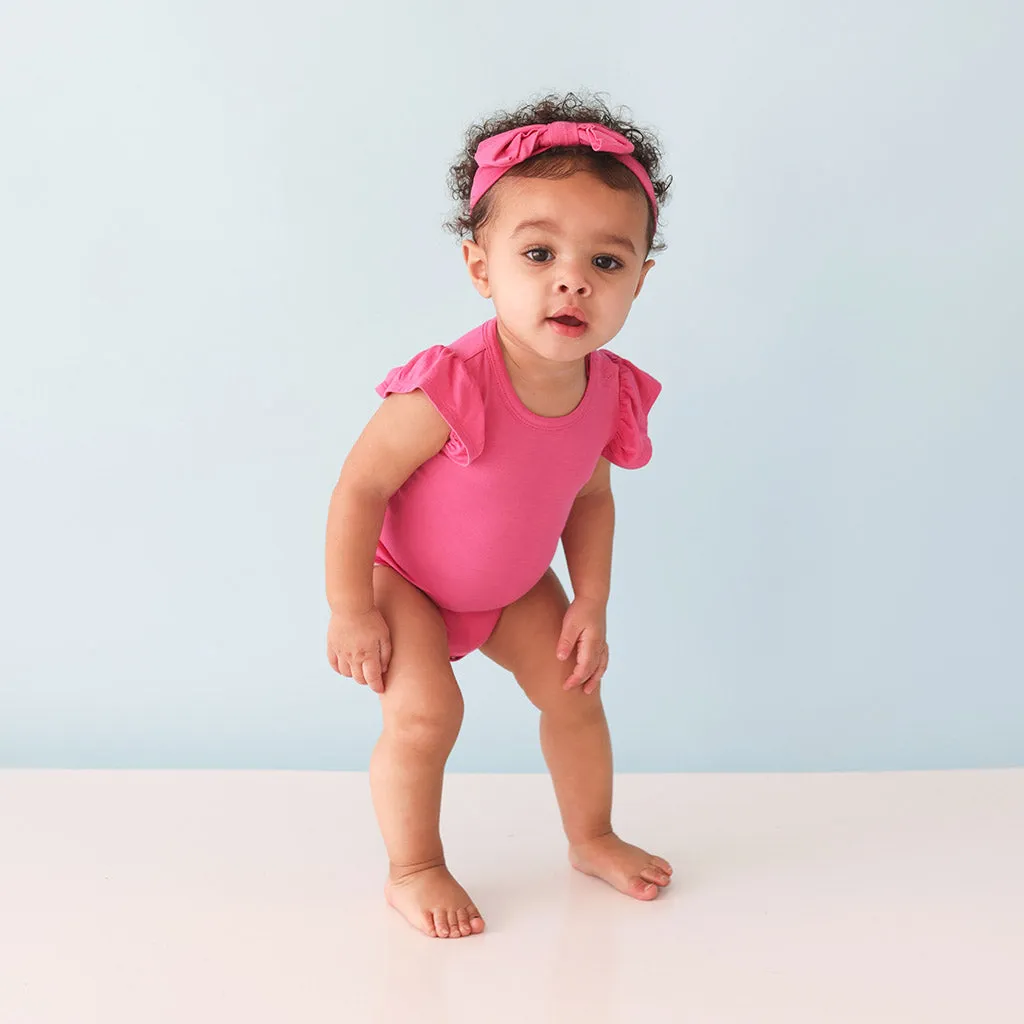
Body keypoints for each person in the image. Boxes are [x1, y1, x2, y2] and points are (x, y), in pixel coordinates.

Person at [325, 92, 674, 939]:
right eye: (539, 252)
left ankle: (591, 835)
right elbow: (360, 488)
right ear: (482, 267)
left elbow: (590, 498)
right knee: (426, 714)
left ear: (639, 280)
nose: (572, 280)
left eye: (606, 262)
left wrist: (588, 601)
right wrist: (350, 608)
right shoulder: (451, 383)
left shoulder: (607, 391)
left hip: (516, 587)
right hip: (408, 582)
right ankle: (413, 868)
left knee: (576, 693)